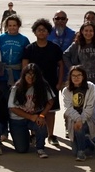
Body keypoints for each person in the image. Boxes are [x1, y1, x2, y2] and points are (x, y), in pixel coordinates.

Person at [21, 18, 66, 147]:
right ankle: (34, 135)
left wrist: (59, 82)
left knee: (51, 111)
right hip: (33, 85)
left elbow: (61, 65)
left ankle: (51, 135)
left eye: (44, 30)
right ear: (35, 32)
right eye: (39, 30)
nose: (41, 32)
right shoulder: (29, 48)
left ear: (48, 32)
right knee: (33, 109)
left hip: (51, 84)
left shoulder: (55, 48)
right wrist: (25, 84)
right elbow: (25, 67)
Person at [8, 63, 55, 157]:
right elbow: (12, 108)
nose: (31, 77)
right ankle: (26, 137)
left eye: (34, 74)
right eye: (28, 74)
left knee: (41, 125)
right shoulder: (16, 87)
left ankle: (40, 148)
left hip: (35, 117)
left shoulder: (43, 86)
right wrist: (30, 117)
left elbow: (51, 101)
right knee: (22, 149)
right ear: (24, 75)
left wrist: (42, 115)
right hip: (18, 120)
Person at [61, 66, 95, 161]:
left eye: (79, 75)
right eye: (73, 76)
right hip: (73, 119)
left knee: (78, 128)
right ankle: (88, 141)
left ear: (83, 76)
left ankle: (81, 152)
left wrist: (81, 120)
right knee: (74, 152)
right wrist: (78, 119)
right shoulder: (66, 90)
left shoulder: (91, 87)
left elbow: (90, 107)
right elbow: (68, 108)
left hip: (88, 118)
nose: (76, 78)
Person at [0, 14, 30, 95]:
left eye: (14, 25)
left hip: (17, 74)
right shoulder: (1, 38)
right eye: (10, 25)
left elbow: (27, 58)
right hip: (2, 74)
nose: (12, 27)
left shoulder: (24, 39)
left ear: (18, 26)